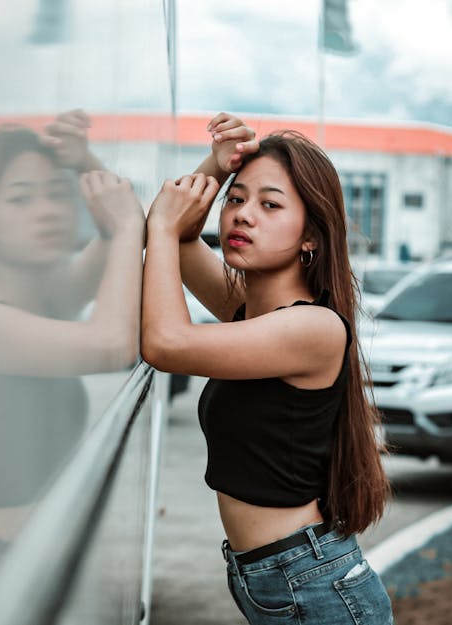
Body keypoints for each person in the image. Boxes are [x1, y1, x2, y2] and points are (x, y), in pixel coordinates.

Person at [141, 113, 394, 624]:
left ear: (311, 237)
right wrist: (217, 163)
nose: (242, 214)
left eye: (270, 204)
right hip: (276, 577)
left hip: (314, 585)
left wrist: (161, 225)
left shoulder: (314, 329)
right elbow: (189, 239)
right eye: (236, 199)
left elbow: (165, 344)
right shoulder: (250, 313)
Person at [0, 110, 144, 589]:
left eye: (57, 193)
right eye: (20, 198)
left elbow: (115, 237)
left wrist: (83, 160)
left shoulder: (45, 297)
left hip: (40, 562)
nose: (48, 210)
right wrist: (128, 225)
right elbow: (112, 346)